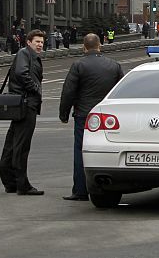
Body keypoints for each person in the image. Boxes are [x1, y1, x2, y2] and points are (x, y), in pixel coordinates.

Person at [59, 33, 124, 200]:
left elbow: (68, 91)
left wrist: (64, 114)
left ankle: (80, 190)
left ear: (84, 47)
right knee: (106, 149)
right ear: (100, 46)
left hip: (83, 115)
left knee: (81, 150)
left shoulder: (78, 65)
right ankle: (107, 185)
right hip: (107, 117)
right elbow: (121, 91)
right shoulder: (114, 65)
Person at [0, 29, 46, 195]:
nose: (40, 44)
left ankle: (10, 182)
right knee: (21, 146)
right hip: (26, 105)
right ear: (29, 42)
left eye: (41, 42)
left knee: (12, 144)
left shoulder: (28, 55)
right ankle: (22, 185)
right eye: (37, 42)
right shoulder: (24, 53)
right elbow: (21, 73)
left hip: (22, 105)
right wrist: (36, 90)